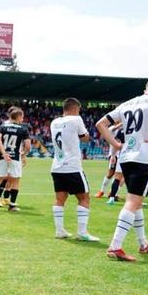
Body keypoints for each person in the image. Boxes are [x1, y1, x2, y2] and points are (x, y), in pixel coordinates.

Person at [96, 78, 148, 261]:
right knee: (133, 201)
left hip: (126, 156)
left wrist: (115, 143)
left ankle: (143, 243)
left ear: (145, 88)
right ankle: (115, 246)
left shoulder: (127, 103)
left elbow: (101, 124)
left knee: (135, 199)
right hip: (144, 156)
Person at [49, 98, 99, 241]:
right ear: (75, 109)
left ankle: (60, 231)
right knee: (84, 197)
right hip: (72, 167)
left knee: (60, 199)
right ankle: (82, 233)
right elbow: (84, 138)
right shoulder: (76, 119)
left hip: (57, 166)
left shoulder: (54, 122)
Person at [0, 107, 30, 212]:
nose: (22, 119)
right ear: (18, 117)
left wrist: (3, 153)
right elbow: (28, 146)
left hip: (3, 156)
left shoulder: (3, 126)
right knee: (15, 181)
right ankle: (12, 205)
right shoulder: (23, 129)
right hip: (15, 157)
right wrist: (23, 154)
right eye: (22, 117)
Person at [96, 124, 123, 198]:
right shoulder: (112, 128)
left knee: (122, 176)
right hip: (114, 154)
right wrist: (122, 123)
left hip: (123, 155)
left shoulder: (126, 128)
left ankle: (113, 193)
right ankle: (101, 191)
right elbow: (112, 130)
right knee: (111, 173)